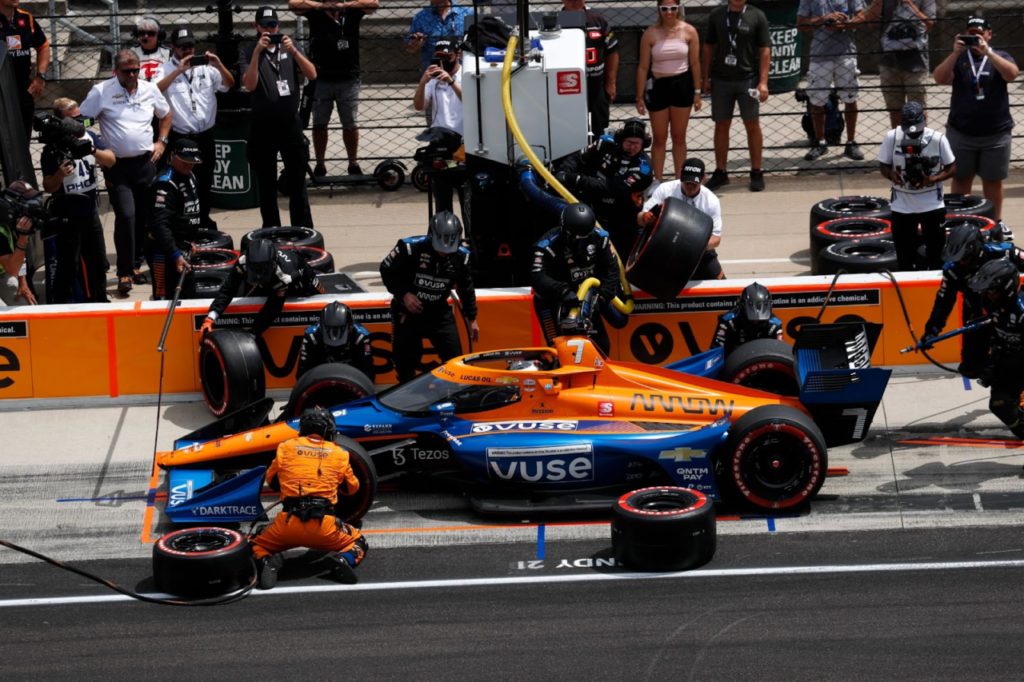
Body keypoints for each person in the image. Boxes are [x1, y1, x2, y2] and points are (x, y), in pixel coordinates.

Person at [79, 49, 172, 294]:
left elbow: (166, 114)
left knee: (143, 216)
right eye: (126, 71)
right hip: (116, 166)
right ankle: (123, 272)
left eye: (135, 70)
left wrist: (161, 141)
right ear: (116, 70)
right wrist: (96, 149)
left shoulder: (150, 89)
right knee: (126, 215)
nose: (132, 74)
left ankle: (136, 265)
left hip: (145, 162)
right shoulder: (101, 91)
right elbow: (82, 121)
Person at [250, 407, 368, 588]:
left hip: (287, 524)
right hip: (325, 527)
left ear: (303, 428)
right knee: (359, 540)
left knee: (253, 542)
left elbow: (271, 480)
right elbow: (353, 488)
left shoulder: (286, 447)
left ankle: (265, 561)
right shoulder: (340, 454)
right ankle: (344, 560)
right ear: (329, 431)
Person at [933, 16, 1019, 242]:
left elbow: (1012, 74)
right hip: (962, 131)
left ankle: (996, 222)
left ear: (989, 35)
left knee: (992, 180)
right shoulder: (960, 58)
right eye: (971, 35)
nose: (976, 39)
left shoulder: (1000, 56)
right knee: (961, 178)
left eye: (980, 34)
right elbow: (940, 79)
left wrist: (988, 53)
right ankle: (960, 220)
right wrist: (954, 53)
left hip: (996, 132)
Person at [379, 211, 479, 384]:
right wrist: (404, 295)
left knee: (456, 361)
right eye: (440, 249)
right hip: (407, 314)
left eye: (448, 250)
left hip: (439, 314)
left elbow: (467, 287)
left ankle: (451, 398)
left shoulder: (462, 256)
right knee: (404, 366)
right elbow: (386, 270)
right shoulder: (408, 248)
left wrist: (472, 318)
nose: (444, 253)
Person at [240, 6, 318, 229]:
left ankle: (302, 229)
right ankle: (271, 229)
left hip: (289, 123)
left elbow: (312, 74)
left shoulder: (289, 45)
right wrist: (257, 52)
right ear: (256, 27)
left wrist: (294, 51)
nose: (269, 29)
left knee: (297, 180)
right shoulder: (247, 51)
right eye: (264, 25)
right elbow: (249, 84)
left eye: (273, 24)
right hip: (263, 124)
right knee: (266, 182)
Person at [155, 28, 235, 231]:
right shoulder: (164, 69)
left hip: (205, 135)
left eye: (190, 46)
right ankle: (181, 223)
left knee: (204, 180)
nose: (188, 50)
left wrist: (218, 64)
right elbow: (154, 91)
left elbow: (229, 84)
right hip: (181, 136)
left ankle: (203, 220)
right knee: (181, 182)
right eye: (182, 47)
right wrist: (177, 71)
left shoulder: (206, 68)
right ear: (173, 48)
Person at [289, 0, 379, 178]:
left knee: (350, 123)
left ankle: (353, 162)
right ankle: (320, 164)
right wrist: (322, 7)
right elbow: (293, 5)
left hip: (349, 77)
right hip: (321, 77)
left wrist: (346, 6)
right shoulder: (316, 12)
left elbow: (374, 4)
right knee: (320, 123)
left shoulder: (351, 12)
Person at [922, 222, 1024, 379]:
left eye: (965, 258)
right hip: (976, 312)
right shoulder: (952, 270)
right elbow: (943, 301)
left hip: (1010, 311)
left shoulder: (1004, 252)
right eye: (958, 259)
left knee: (1010, 358)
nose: (961, 263)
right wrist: (931, 330)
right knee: (970, 369)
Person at [40, 98, 115, 304]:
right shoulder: (52, 150)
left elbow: (111, 160)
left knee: (99, 262)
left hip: (90, 212)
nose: (78, 122)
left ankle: (100, 302)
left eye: (79, 117)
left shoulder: (89, 136)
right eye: (72, 119)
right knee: (67, 266)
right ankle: (62, 306)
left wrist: (91, 150)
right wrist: (59, 175)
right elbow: (48, 186)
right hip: (67, 216)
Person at [555, 117, 654, 258]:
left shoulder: (643, 168)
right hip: (592, 210)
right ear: (621, 139)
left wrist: (575, 179)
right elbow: (578, 158)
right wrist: (562, 173)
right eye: (629, 142)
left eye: (637, 144)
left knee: (620, 260)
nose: (633, 147)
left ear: (644, 143)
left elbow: (611, 188)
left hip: (623, 221)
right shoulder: (605, 143)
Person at [701, 0, 771, 192]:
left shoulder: (757, 15)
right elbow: (708, 46)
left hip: (748, 79)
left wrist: (763, 82)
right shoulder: (717, 15)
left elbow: (765, 49)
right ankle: (721, 172)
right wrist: (705, 77)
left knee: (752, 124)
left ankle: (756, 171)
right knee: (721, 124)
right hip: (720, 79)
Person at [877, 101, 955, 271]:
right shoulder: (892, 137)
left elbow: (952, 167)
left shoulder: (938, 138)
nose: (913, 134)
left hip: (932, 204)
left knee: (937, 254)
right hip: (902, 205)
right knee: (904, 256)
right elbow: (883, 164)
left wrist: (933, 179)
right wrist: (891, 174)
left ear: (924, 120)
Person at [531, 203, 619, 353]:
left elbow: (612, 269)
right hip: (554, 302)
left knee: (601, 347)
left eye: (585, 238)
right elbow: (537, 277)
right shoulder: (546, 245)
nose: (581, 243)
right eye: (577, 238)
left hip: (586, 300)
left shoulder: (601, 238)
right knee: (559, 350)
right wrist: (563, 291)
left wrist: (603, 297)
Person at [200, 238, 326, 337]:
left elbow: (273, 308)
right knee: (251, 294)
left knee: (320, 297)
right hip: (270, 281)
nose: (258, 273)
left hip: (301, 279)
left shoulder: (284, 274)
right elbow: (228, 288)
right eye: (254, 269)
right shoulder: (242, 262)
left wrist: (254, 332)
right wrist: (210, 318)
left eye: (262, 270)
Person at [635, 0, 702, 182]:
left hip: (682, 85)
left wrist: (698, 91)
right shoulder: (650, 33)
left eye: (673, 8)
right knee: (659, 138)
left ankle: (681, 179)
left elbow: (695, 63)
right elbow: (642, 67)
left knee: (679, 137)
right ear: (659, 10)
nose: (669, 12)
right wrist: (639, 96)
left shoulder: (689, 31)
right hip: (659, 87)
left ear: (678, 8)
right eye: (665, 8)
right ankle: (658, 180)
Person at [797, 0, 867, 162]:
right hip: (819, 55)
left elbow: (861, 17)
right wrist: (824, 19)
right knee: (817, 100)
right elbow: (800, 25)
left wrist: (844, 24)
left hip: (846, 54)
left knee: (850, 98)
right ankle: (820, 142)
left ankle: (851, 142)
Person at [638, 157, 724, 281]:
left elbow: (716, 238)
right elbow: (640, 218)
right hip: (664, 248)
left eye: (694, 184)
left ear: (703, 179)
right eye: (686, 183)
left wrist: (697, 247)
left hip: (697, 251)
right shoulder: (665, 189)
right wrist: (645, 217)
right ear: (680, 175)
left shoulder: (711, 201)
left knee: (720, 287)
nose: (689, 187)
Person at [966, 258, 1024, 440]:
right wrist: (988, 366)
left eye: (992, 291)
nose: (988, 296)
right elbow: (996, 339)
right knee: (999, 404)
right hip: (1010, 365)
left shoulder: (1021, 312)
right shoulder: (994, 307)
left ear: (1006, 288)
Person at [145, 139, 202, 301]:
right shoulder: (164, 185)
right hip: (163, 252)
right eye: (185, 161)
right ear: (172, 156)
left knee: (188, 295)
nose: (189, 165)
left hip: (182, 246)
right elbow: (159, 226)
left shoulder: (190, 175)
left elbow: (189, 213)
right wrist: (175, 255)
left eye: (192, 162)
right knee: (165, 299)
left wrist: (190, 240)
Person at [413, 37, 465, 214]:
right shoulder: (433, 79)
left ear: (458, 54)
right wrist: (423, 83)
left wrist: (451, 82)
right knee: (442, 199)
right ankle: (443, 234)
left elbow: (472, 102)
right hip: (441, 143)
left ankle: (471, 238)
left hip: (464, 146)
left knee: (468, 198)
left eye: (447, 57)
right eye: (439, 58)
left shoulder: (467, 73)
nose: (443, 62)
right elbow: (419, 106)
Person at [864, 0, 935, 129]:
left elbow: (929, 24)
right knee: (894, 108)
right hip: (889, 60)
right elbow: (871, 21)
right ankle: (898, 142)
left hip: (916, 61)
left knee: (917, 108)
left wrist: (909, 4)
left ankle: (919, 143)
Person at [561, 0, 619, 136]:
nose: (575, 2)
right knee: (569, 134)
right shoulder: (555, 22)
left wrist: (610, 83)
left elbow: (612, 50)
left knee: (599, 132)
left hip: (596, 88)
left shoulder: (598, 20)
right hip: (567, 90)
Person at [0, 0, 49, 141]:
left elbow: (43, 46)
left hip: (22, 87)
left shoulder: (26, 18)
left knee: (22, 137)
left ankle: (22, 162)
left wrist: (40, 76)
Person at [296, 300, 375, 380]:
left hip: (351, 381)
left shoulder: (360, 336)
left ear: (350, 325)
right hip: (320, 382)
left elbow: (368, 374)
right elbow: (302, 374)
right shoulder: (311, 335)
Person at [710, 282, 783, 355]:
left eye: (760, 321)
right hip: (733, 362)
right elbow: (715, 353)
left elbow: (780, 354)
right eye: (752, 320)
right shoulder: (728, 321)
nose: (756, 322)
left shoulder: (775, 326)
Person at [405, 0, 474, 74]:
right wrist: (415, 44)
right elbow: (409, 48)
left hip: (462, 72)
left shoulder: (467, 13)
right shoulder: (421, 17)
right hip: (434, 73)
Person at [0, 182, 40, 306]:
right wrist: (23, 238)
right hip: (8, 269)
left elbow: (19, 256)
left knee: (29, 307)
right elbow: (12, 269)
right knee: (4, 318)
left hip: (3, 274)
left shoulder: (11, 219)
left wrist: (23, 283)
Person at [129, 16, 171, 82]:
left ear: (159, 35)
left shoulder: (168, 53)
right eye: (142, 33)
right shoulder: (130, 52)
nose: (146, 36)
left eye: (151, 33)